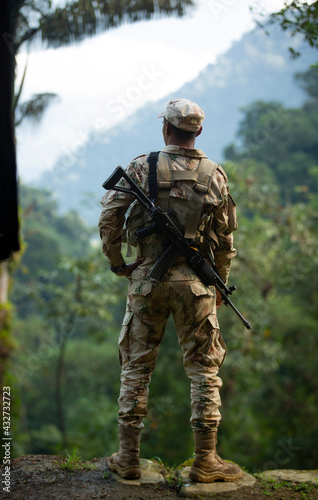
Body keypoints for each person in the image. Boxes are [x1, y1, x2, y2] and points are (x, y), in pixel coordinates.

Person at [98, 98, 242, 483]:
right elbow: (226, 240)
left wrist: (118, 263)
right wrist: (217, 284)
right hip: (196, 285)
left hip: (146, 280)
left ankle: (128, 458)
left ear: (166, 128)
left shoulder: (141, 166)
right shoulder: (215, 174)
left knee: (136, 368)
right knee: (204, 371)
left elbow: (110, 217)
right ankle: (206, 461)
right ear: (198, 132)